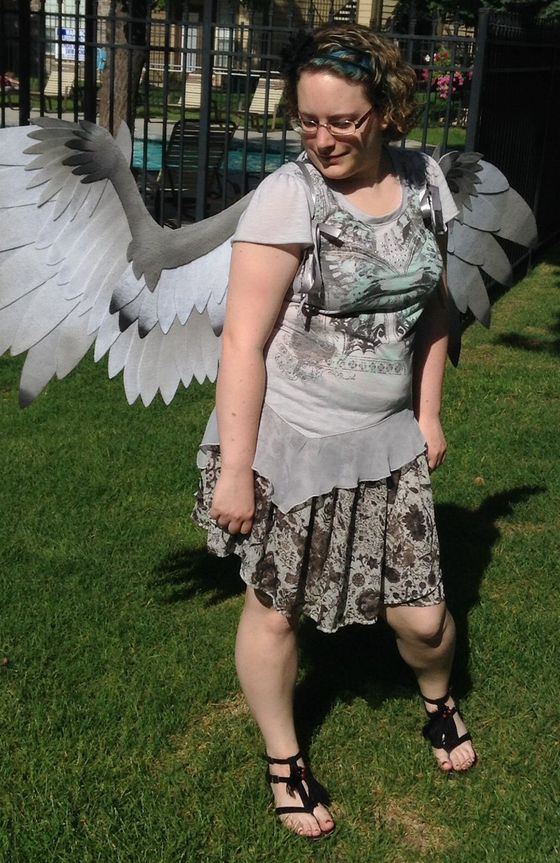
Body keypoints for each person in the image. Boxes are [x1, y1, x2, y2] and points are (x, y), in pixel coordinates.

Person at [192, 23, 477, 841]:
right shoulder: (290, 196)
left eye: (343, 121)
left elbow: (435, 306)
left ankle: (438, 699)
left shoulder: (425, 183)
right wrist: (238, 470)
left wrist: (427, 412)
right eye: (308, 122)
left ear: (387, 110)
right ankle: (285, 759)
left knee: (423, 618)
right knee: (277, 609)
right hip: (296, 440)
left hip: (388, 440)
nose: (323, 140)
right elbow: (242, 340)